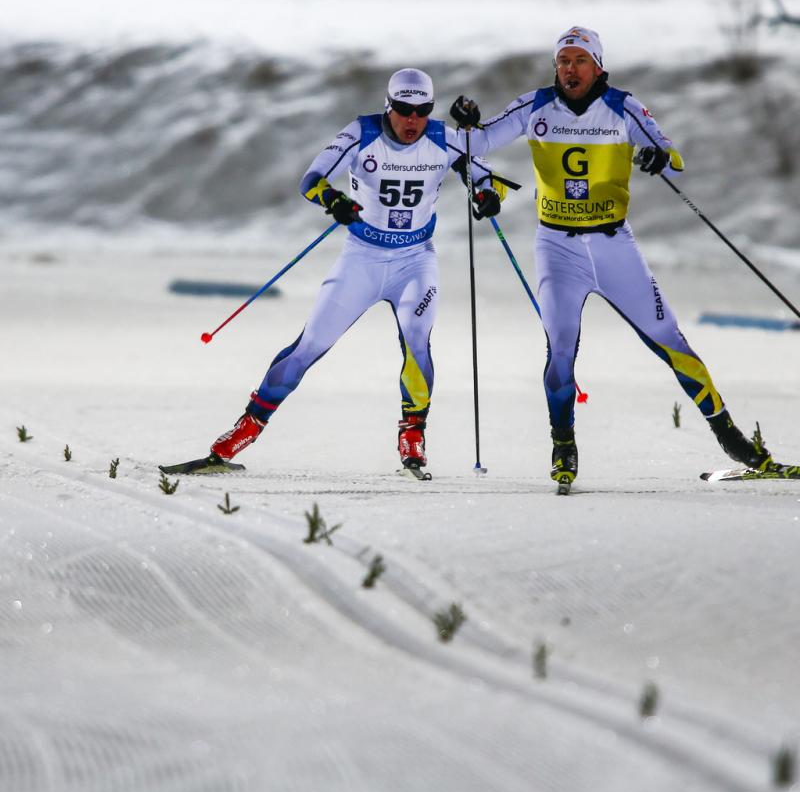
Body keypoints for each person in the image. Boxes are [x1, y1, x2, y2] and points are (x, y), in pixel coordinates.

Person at [449, 25, 777, 489]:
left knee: (671, 340)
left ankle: (733, 440)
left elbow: (671, 152)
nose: (570, 69)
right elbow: (475, 144)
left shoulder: (623, 107)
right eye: (563, 61)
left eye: (580, 60)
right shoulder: (536, 105)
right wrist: (465, 122)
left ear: (598, 65)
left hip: (612, 245)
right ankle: (563, 443)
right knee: (560, 347)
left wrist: (658, 158)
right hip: (557, 247)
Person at [199, 68, 502, 475]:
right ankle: (248, 427)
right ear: (387, 105)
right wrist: (333, 200)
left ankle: (412, 432)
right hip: (362, 258)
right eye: (403, 109)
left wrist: (486, 196)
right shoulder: (362, 133)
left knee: (417, 343)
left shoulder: (444, 138)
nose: (412, 120)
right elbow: (312, 179)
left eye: (422, 111)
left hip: (416, 260)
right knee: (308, 347)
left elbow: (486, 179)